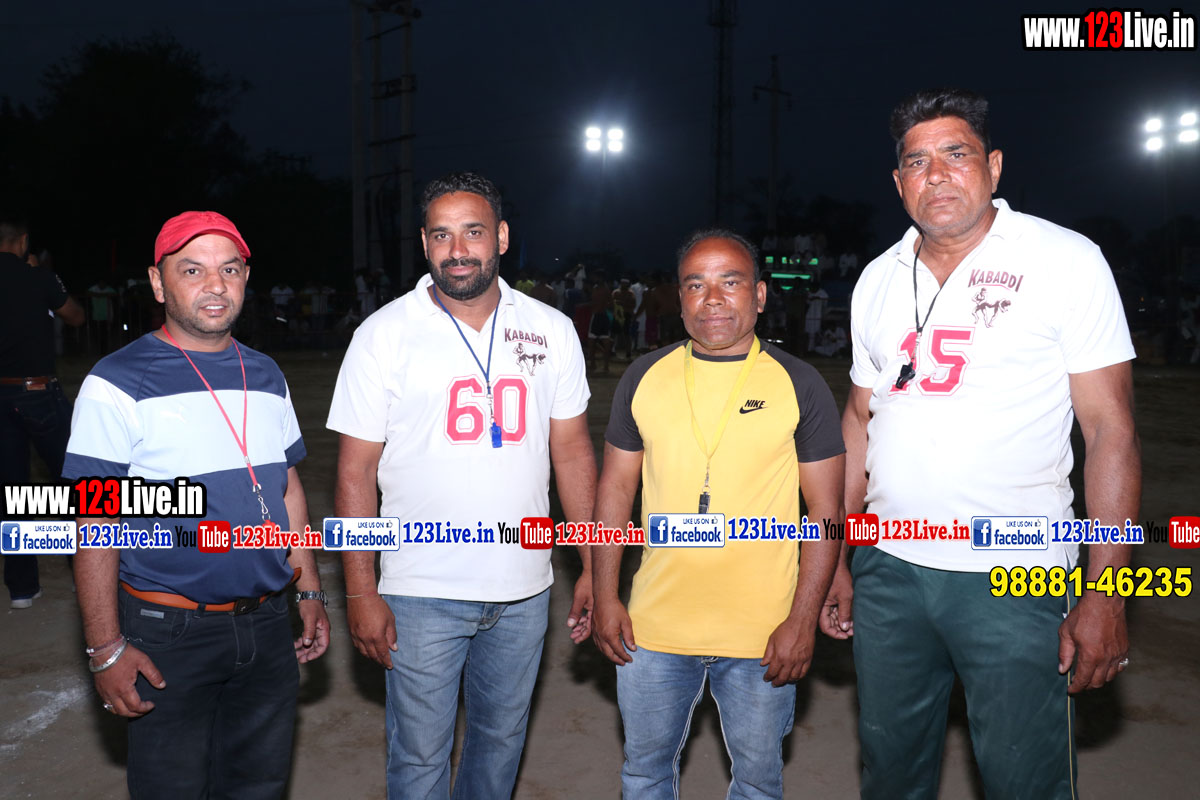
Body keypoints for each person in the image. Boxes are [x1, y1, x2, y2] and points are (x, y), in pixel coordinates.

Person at [822, 88, 1140, 799]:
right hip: (890, 570)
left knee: (1024, 780)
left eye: (956, 154)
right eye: (917, 161)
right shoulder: (876, 279)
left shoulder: (1064, 259)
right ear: (898, 182)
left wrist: (1108, 592)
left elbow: (1110, 430)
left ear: (993, 166)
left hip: (1015, 573)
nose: (936, 174)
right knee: (889, 774)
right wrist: (837, 558)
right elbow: (859, 421)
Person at [327, 171, 598, 800]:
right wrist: (361, 590)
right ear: (424, 243)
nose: (457, 250)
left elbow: (572, 453)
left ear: (500, 237)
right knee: (419, 758)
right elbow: (353, 471)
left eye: (472, 232)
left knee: (499, 745)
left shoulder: (551, 329)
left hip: (524, 587)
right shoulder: (383, 335)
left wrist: (593, 564)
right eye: (441, 235)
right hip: (420, 588)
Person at [64, 211, 329, 799]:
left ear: (245, 279)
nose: (215, 285)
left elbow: (287, 489)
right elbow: (94, 521)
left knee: (258, 787)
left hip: (268, 624)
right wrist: (105, 648)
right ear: (158, 284)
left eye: (229, 270)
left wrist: (309, 591)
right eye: (192, 270)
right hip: (169, 634)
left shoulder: (267, 375)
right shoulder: (116, 383)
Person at [592, 229, 845, 800]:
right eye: (695, 285)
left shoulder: (799, 383)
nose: (712, 299)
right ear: (678, 298)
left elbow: (826, 510)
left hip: (763, 632)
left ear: (759, 295)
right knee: (643, 775)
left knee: (757, 783)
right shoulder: (643, 376)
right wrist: (606, 594)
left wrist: (802, 620)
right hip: (653, 629)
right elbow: (614, 491)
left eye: (730, 283)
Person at [1, 212, 85, 608]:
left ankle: (22, 589)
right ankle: (85, 573)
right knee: (73, 484)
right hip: (38, 393)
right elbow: (76, 316)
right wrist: (43, 276)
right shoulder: (38, 277)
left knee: (12, 490)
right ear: (22, 242)